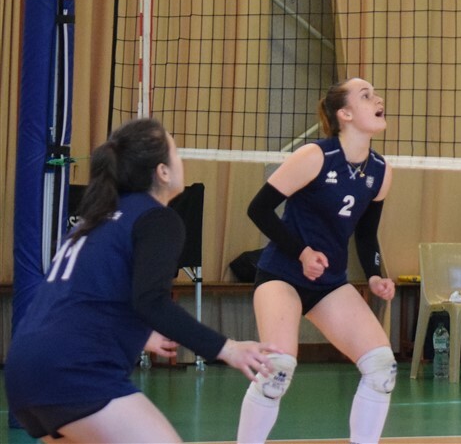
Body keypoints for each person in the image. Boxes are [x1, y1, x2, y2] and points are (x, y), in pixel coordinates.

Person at [5, 118, 276, 443]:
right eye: (176, 152)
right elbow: (150, 300)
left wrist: (138, 331)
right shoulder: (157, 218)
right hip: (76, 372)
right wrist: (227, 348)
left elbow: (84, 293)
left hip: (25, 370)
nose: (181, 160)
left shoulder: (95, 218)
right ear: (162, 171)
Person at [237, 78, 398, 444]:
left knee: (381, 368)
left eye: (375, 93)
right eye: (366, 95)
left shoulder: (380, 171)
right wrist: (302, 252)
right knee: (277, 372)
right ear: (345, 114)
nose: (378, 99)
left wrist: (374, 275)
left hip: (330, 284)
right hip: (282, 275)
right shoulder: (315, 156)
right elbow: (258, 209)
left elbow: (366, 235)